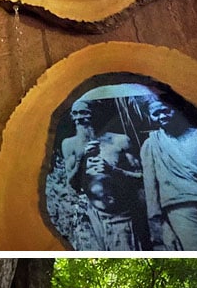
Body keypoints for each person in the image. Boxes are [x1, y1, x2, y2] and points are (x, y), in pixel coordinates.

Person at [61, 99, 147, 250]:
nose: (78, 118)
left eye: (84, 113)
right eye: (74, 114)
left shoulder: (119, 141)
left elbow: (141, 178)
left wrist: (113, 171)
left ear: (95, 114)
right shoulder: (70, 145)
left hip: (120, 218)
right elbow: (73, 184)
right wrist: (82, 157)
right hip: (91, 219)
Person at [140, 95, 197, 251]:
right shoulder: (152, 144)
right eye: (156, 114)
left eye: (165, 110)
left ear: (176, 110)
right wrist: (159, 223)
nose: (162, 116)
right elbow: (150, 187)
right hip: (180, 207)